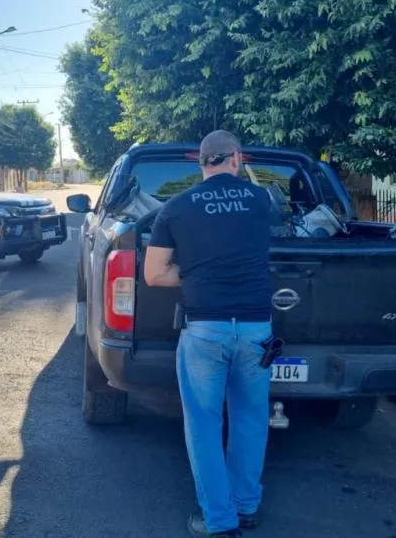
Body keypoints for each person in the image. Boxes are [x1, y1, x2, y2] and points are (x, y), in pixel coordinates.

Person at [144, 130, 274, 538]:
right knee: (251, 419)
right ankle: (246, 506)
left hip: (205, 331)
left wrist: (199, 273)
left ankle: (219, 521)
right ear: (237, 159)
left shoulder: (176, 208)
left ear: (200, 163)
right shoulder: (263, 199)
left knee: (203, 424)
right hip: (257, 330)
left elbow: (154, 274)